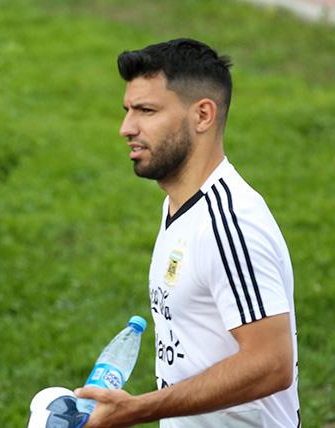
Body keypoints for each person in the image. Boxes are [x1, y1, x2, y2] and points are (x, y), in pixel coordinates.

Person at [74, 38, 299, 427]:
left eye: (146, 111)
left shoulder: (231, 225)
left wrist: (138, 409)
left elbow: (272, 363)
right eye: (128, 110)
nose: (127, 128)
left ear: (202, 116)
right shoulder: (179, 204)